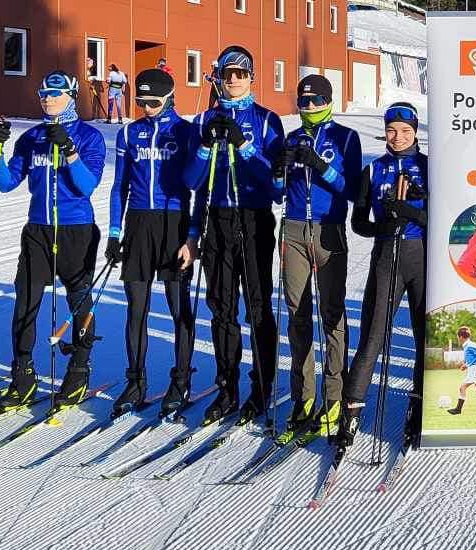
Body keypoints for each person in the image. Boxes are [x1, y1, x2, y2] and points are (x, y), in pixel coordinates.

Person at [0, 71, 107, 407]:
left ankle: (79, 368)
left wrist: (68, 149)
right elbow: (7, 183)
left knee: (79, 300)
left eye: (55, 93)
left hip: (75, 229)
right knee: (25, 301)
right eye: (43, 94)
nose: (48, 99)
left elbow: (86, 186)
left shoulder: (89, 136)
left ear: (71, 94)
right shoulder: (32, 137)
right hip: (37, 229)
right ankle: (22, 373)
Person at [193, 46, 286, 425]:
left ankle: (262, 387)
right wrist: (193, 230)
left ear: (252, 78)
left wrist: (244, 146)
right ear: (218, 77)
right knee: (221, 307)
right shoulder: (206, 118)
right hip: (218, 217)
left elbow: (278, 184)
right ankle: (226, 388)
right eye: (227, 74)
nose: (233, 81)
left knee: (259, 305)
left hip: (254, 218)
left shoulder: (267, 120)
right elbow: (193, 182)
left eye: (241, 74)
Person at [107, 67, 204, 418]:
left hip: (174, 221)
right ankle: (136, 381)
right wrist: (115, 233)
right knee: (136, 309)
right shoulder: (129, 132)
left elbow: (199, 188)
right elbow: (120, 187)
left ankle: (181, 380)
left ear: (169, 97)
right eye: (141, 101)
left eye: (153, 102)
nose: (146, 107)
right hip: (138, 222)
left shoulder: (186, 131)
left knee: (179, 308)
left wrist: (192, 237)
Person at [276, 73, 362, 440]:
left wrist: (319, 164)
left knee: (332, 314)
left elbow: (354, 188)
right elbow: (277, 193)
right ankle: (303, 397)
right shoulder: (291, 137)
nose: (309, 107)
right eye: (304, 101)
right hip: (294, 229)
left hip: (328, 230)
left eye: (316, 101)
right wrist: (279, 170)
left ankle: (333, 396)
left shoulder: (345, 137)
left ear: (329, 101)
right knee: (297, 315)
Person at [346, 102, 429, 449]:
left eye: (405, 132)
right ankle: (350, 412)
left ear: (415, 133)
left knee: (426, 337)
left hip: (421, 257)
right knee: (372, 336)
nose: (398, 137)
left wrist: (412, 211)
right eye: (392, 131)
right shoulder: (373, 169)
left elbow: (444, 218)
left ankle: (421, 405)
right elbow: (358, 222)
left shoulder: (429, 167)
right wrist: (384, 224)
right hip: (385, 256)